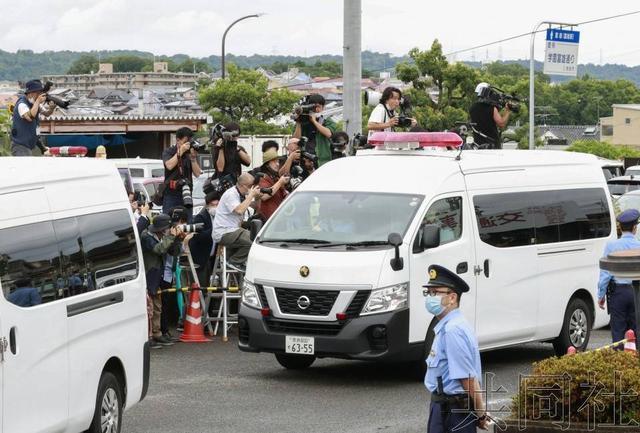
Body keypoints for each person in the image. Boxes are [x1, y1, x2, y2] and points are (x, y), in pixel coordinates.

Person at [424, 265, 490, 433]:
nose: (431, 297)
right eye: (429, 293)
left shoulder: (452, 330)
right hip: (447, 408)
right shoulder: (451, 325)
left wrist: (481, 414)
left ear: (452, 298)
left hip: (452, 412)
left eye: (436, 292)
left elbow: (468, 379)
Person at [598, 209, 640, 345]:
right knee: (637, 331)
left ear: (620, 228)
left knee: (618, 332)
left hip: (618, 293)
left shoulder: (611, 246)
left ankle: (619, 362)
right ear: (635, 227)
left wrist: (601, 295)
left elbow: (605, 273)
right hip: (637, 293)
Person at [141, 214, 182, 348]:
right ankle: (149, 337)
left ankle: (157, 333)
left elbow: (173, 252)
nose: (169, 230)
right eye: (167, 228)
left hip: (158, 275)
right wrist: (170, 236)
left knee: (157, 306)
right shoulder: (146, 237)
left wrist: (177, 239)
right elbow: (159, 250)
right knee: (149, 308)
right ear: (161, 228)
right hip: (148, 275)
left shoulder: (161, 236)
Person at [212, 173, 261, 271]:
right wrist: (251, 195)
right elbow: (239, 210)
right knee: (254, 240)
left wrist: (259, 197)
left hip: (233, 231)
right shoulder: (231, 194)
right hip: (224, 232)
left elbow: (255, 206)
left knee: (257, 237)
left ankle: (233, 262)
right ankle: (234, 261)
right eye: (250, 187)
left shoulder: (240, 195)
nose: (251, 189)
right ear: (244, 186)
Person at [162, 127, 202, 220]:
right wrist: (180, 151)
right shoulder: (169, 151)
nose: (188, 144)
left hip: (186, 194)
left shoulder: (189, 154)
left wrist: (193, 158)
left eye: (189, 141)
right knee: (168, 221)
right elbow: (169, 166)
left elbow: (197, 173)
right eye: (185, 141)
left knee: (188, 222)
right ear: (178, 140)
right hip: (171, 194)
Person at [11, 79, 54, 156]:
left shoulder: (34, 104)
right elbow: (30, 116)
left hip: (28, 146)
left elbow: (47, 113)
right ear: (30, 93)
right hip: (20, 146)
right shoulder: (22, 104)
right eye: (38, 93)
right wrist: (37, 102)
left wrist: (52, 108)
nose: (40, 95)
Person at [292, 94, 337, 167]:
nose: (316, 109)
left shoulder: (326, 120)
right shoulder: (303, 121)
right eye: (314, 107)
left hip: (322, 161)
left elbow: (329, 133)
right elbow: (296, 139)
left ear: (323, 107)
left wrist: (314, 121)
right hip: (305, 160)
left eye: (318, 107)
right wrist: (298, 122)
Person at [190, 191, 221, 286]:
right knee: (201, 285)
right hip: (201, 259)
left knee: (212, 285)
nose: (215, 207)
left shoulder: (220, 217)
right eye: (213, 205)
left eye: (217, 205)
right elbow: (199, 237)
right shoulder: (201, 217)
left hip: (213, 258)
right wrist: (215, 228)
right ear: (207, 205)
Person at [469, 82, 511, 150]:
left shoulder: (472, 108)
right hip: (492, 144)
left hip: (477, 144)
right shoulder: (491, 108)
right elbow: (501, 123)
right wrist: (508, 111)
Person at [258, 149, 290, 221]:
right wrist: (280, 182)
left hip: (278, 217)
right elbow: (264, 196)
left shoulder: (275, 177)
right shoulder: (262, 177)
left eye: (278, 161)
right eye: (274, 161)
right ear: (267, 164)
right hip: (268, 220)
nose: (277, 164)